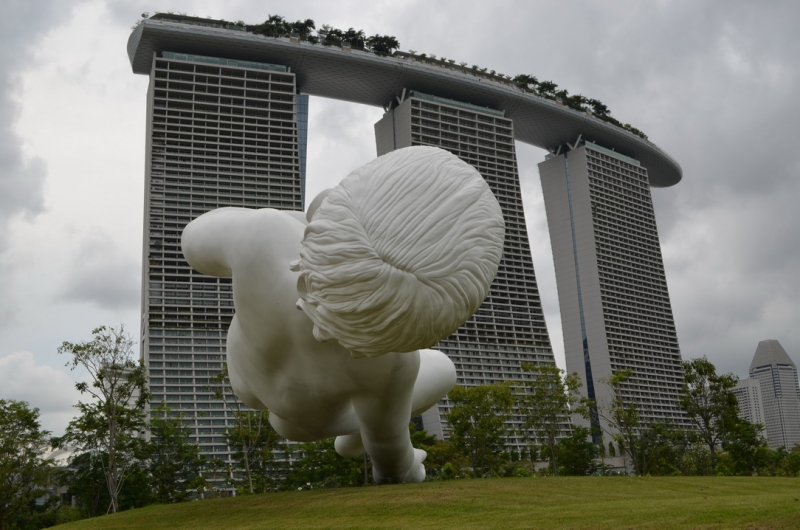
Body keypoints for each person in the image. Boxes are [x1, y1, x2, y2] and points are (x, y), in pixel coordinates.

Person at [182, 146, 504, 482]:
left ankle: (353, 435)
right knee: (443, 370)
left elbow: (193, 242)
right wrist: (409, 469)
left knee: (295, 218)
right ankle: (351, 440)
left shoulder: (261, 235)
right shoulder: (391, 363)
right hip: (303, 422)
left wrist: (313, 223)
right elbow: (387, 446)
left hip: (246, 379)